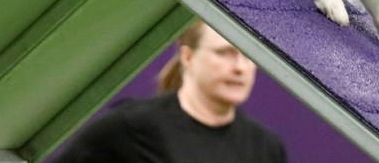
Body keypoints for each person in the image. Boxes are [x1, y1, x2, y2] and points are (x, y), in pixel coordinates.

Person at [54, 20, 288, 162]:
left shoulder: (266, 148)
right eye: (224, 53)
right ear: (188, 56)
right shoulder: (133, 125)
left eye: (249, 56)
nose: (239, 68)